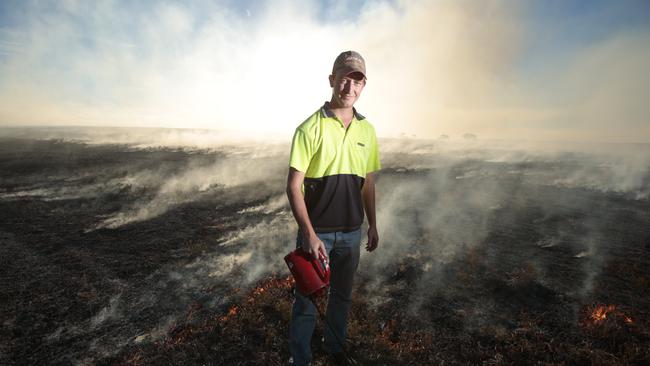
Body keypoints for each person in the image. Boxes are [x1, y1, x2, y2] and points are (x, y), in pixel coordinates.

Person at [286, 50, 381, 366]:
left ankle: (334, 347)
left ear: (363, 86)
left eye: (358, 81)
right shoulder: (309, 128)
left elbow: (368, 183)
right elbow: (293, 187)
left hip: (353, 234)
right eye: (345, 78)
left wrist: (373, 225)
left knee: (342, 297)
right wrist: (309, 235)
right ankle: (300, 358)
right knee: (306, 302)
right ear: (332, 80)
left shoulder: (367, 130)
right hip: (319, 236)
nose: (350, 87)